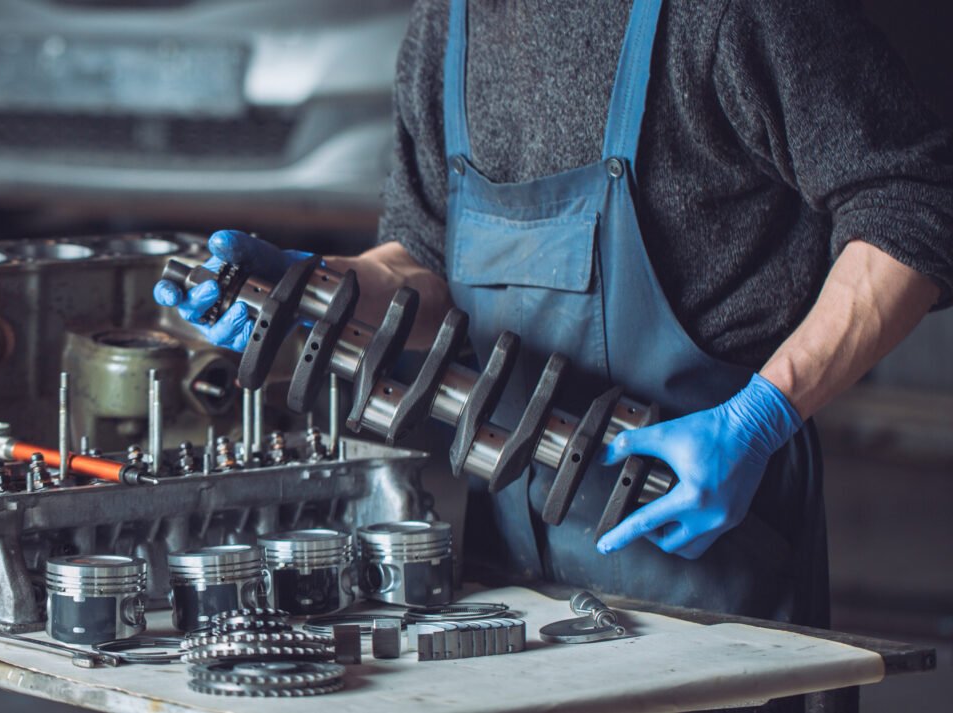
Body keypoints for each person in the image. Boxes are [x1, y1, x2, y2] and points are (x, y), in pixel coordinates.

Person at [156, 0, 953, 629]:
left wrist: (762, 413)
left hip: (709, 559)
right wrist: (310, 288)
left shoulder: (732, 13)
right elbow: (426, 265)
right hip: (507, 585)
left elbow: (916, 202)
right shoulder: (448, 22)